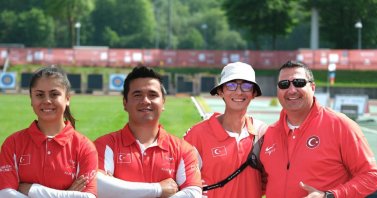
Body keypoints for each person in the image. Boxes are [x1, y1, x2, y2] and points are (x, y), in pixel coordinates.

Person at [260, 60, 377, 198]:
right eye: (284, 84)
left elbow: (371, 178)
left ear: (312, 87)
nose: (292, 90)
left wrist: (329, 196)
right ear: (278, 90)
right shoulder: (270, 133)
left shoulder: (340, 125)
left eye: (299, 83)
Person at [94, 66, 202, 198]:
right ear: (125, 103)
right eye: (137, 95)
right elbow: (98, 186)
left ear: (163, 103)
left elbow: (193, 194)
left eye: (153, 95)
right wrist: (157, 189)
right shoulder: (104, 145)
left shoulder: (183, 150)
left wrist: (117, 188)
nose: (145, 101)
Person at [0, 65, 98, 198]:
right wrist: (67, 195)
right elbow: (5, 194)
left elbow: (88, 197)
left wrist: (33, 190)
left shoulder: (84, 147)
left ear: (67, 99)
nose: (46, 101)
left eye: (54, 94)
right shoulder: (13, 143)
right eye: (39, 95)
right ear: (31, 99)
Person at [184, 62, 268, 198]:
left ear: (254, 93)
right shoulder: (197, 134)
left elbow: (270, 180)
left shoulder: (262, 133)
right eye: (231, 85)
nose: (239, 92)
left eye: (246, 86)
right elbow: (182, 183)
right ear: (220, 91)